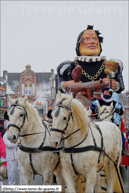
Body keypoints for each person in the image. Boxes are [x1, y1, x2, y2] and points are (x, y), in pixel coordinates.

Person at [57, 25, 124, 94]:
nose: (92, 42)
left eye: (95, 39)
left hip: (104, 103)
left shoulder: (110, 65)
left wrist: (116, 85)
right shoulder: (68, 66)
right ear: (79, 44)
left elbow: (121, 88)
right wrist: (65, 85)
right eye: (87, 39)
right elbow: (60, 89)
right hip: (77, 102)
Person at [90, 87, 129, 157]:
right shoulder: (98, 101)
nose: (106, 93)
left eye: (108, 92)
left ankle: (123, 148)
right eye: (105, 91)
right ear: (102, 93)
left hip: (110, 121)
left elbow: (120, 109)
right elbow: (92, 106)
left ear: (110, 94)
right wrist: (95, 109)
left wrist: (118, 110)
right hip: (99, 121)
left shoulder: (114, 102)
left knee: (119, 132)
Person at [3, 120, 21, 185]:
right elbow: (9, 145)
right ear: (7, 127)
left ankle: (22, 185)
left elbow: (21, 139)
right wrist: (17, 143)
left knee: (21, 171)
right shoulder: (5, 136)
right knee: (11, 173)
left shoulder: (16, 134)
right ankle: (11, 185)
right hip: (10, 157)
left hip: (18, 155)